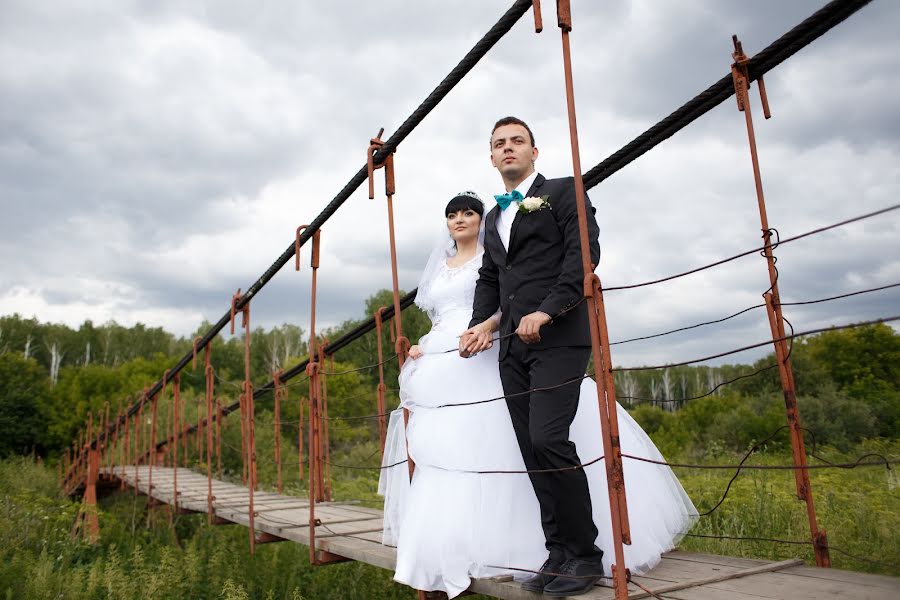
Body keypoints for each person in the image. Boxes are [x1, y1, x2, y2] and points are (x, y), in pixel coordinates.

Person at [379, 188, 696, 598]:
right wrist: (427, 343)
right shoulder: (440, 264)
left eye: (468, 213)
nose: (460, 220)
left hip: (495, 343)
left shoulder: (499, 242)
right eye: (452, 214)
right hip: (451, 348)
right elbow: (449, 312)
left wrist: (488, 328)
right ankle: (486, 542)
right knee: (456, 446)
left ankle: (559, 548)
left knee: (529, 439)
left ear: (480, 218)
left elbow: (507, 293)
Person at [460, 115, 605, 595]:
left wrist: (546, 311)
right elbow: (490, 278)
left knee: (548, 439)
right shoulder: (495, 218)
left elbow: (582, 258)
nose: (508, 149)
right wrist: (481, 324)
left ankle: (586, 556)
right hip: (510, 349)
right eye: (498, 143)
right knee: (530, 451)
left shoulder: (563, 193)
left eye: (517, 141)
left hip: (560, 337)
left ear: (534, 152)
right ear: (491, 156)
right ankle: (558, 552)